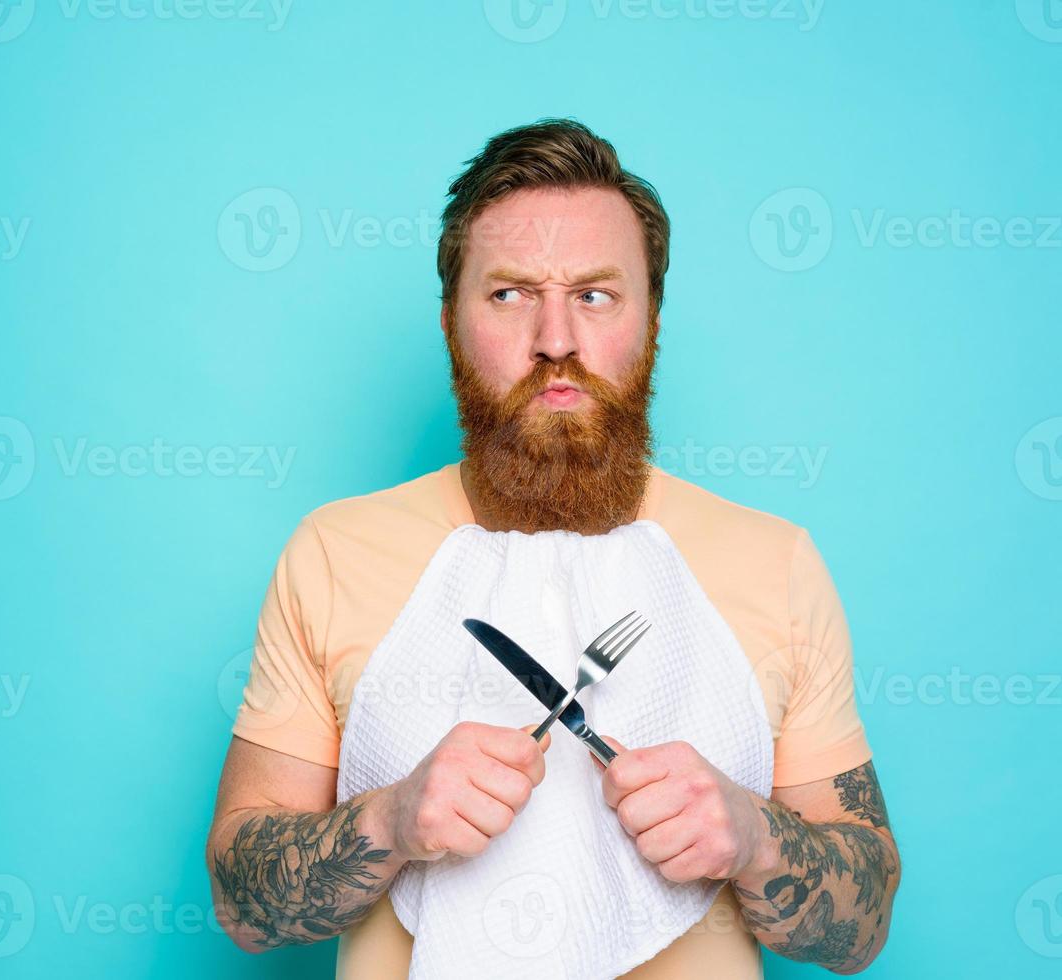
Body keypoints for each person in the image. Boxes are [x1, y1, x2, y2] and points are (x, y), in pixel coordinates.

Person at [206, 118, 900, 978]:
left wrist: (754, 839)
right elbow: (242, 907)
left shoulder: (775, 563)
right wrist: (385, 822)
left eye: (595, 295)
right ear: (450, 322)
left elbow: (860, 932)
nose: (556, 339)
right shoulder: (333, 553)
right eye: (509, 294)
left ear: (650, 320)